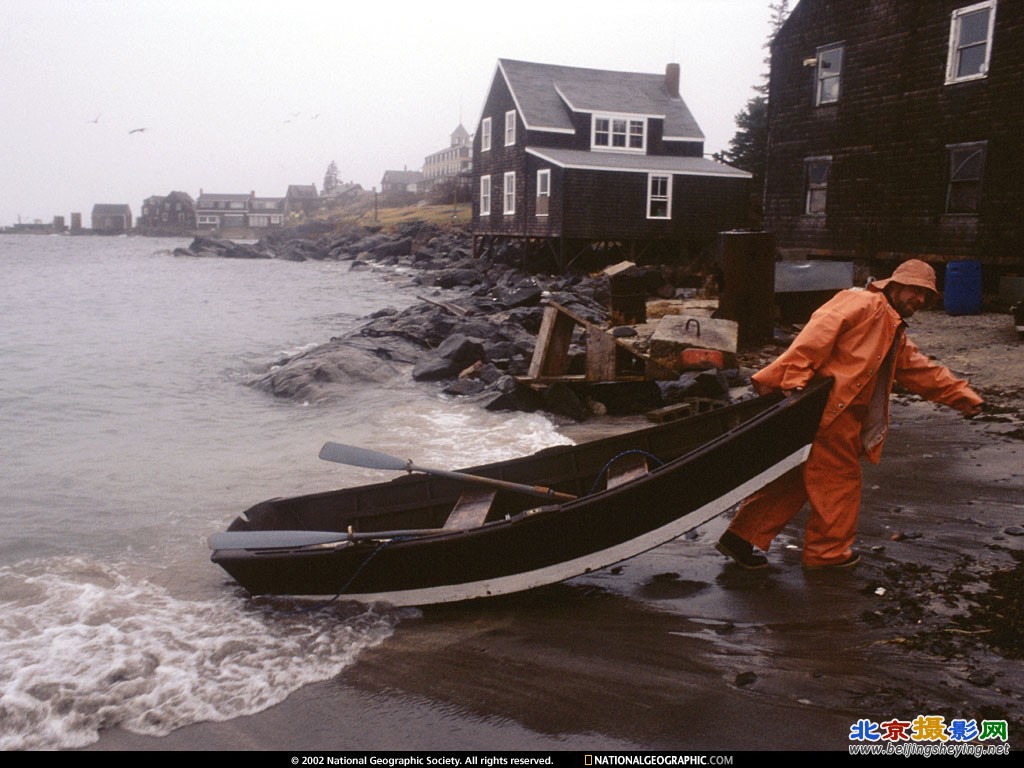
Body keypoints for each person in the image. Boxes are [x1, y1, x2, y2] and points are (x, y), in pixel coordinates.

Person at [716, 259, 984, 571]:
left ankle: (739, 537)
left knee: (797, 479)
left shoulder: (892, 330)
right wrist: (792, 380)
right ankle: (827, 555)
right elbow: (817, 333)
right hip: (828, 412)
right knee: (839, 484)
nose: (920, 300)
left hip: (827, 413)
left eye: (926, 296)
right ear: (894, 285)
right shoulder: (863, 302)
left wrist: (966, 398)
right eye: (916, 290)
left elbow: (923, 372)